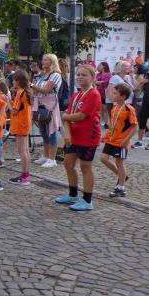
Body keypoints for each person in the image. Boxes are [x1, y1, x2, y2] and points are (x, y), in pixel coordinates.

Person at [56, 64, 102, 211]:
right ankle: (73, 194)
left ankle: (87, 200)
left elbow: (81, 116)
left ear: (92, 77)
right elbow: (68, 116)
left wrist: (65, 117)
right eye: (79, 74)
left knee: (85, 167)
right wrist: (67, 132)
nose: (80, 77)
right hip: (74, 136)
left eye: (84, 75)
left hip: (88, 136)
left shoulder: (93, 94)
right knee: (68, 163)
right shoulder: (76, 94)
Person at [100, 83, 138, 198]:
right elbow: (113, 125)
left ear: (123, 96)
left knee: (119, 163)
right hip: (111, 140)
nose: (112, 95)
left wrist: (126, 140)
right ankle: (122, 176)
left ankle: (121, 188)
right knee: (103, 158)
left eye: (115, 93)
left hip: (121, 142)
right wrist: (106, 136)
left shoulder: (129, 109)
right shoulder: (115, 108)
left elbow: (134, 127)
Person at [31, 53, 62, 168]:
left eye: (46, 60)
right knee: (44, 132)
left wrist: (31, 85)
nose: (43, 62)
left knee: (51, 132)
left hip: (50, 107)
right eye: (43, 60)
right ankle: (46, 156)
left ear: (52, 62)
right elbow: (37, 90)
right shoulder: (42, 75)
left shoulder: (55, 75)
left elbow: (46, 90)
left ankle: (52, 159)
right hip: (40, 106)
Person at [9, 70, 33, 185]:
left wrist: (7, 101)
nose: (13, 82)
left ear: (18, 81)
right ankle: (26, 175)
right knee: (26, 150)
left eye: (14, 80)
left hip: (20, 124)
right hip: (25, 124)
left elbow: (14, 111)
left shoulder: (20, 93)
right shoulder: (26, 92)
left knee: (22, 151)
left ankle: (24, 177)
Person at [95, 62, 112, 128]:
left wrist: (99, 82)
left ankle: (106, 123)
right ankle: (100, 121)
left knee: (105, 108)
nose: (98, 66)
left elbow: (106, 82)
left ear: (104, 66)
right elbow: (95, 82)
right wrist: (100, 82)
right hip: (98, 93)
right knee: (99, 108)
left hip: (105, 93)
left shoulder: (108, 74)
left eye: (100, 65)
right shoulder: (98, 74)